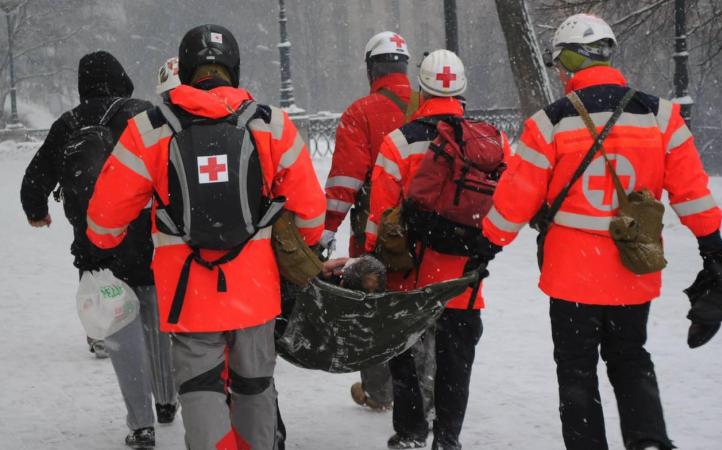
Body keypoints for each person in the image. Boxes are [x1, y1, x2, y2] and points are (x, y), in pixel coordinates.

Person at [482, 13, 722, 450]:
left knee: (576, 369)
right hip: (633, 267)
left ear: (566, 61)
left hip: (571, 276)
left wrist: (487, 245)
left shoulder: (550, 122)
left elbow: (515, 201)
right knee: (630, 357)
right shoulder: (662, 116)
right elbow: (692, 193)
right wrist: (712, 250)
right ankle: (647, 441)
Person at [86, 25, 325, 450]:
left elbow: (104, 220)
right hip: (255, 292)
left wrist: (107, 241)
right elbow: (310, 215)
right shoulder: (272, 125)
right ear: (233, 68)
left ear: (187, 69)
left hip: (187, 294)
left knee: (200, 388)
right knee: (254, 385)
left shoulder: (150, 129)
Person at [20, 50, 178, 449]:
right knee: (155, 318)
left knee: (121, 330)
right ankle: (166, 401)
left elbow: (34, 180)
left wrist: (37, 211)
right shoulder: (143, 114)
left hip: (97, 247)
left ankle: (141, 425)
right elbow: (174, 165)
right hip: (147, 237)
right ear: (121, 77)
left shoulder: (66, 124)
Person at [366, 49, 497, 450]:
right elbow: (500, 209)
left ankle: (409, 433)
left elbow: (380, 216)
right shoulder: (487, 141)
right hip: (462, 278)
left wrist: (373, 258)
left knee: (405, 358)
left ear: (420, 89)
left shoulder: (397, 142)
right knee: (456, 363)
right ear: (462, 89)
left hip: (409, 277)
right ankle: (448, 437)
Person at [323, 30, 420, 412]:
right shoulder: (429, 104)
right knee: (421, 305)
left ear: (371, 69)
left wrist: (326, 229)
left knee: (373, 308)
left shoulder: (360, 113)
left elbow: (345, 181)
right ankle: (426, 387)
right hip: (429, 230)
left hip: (377, 229)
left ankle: (380, 392)